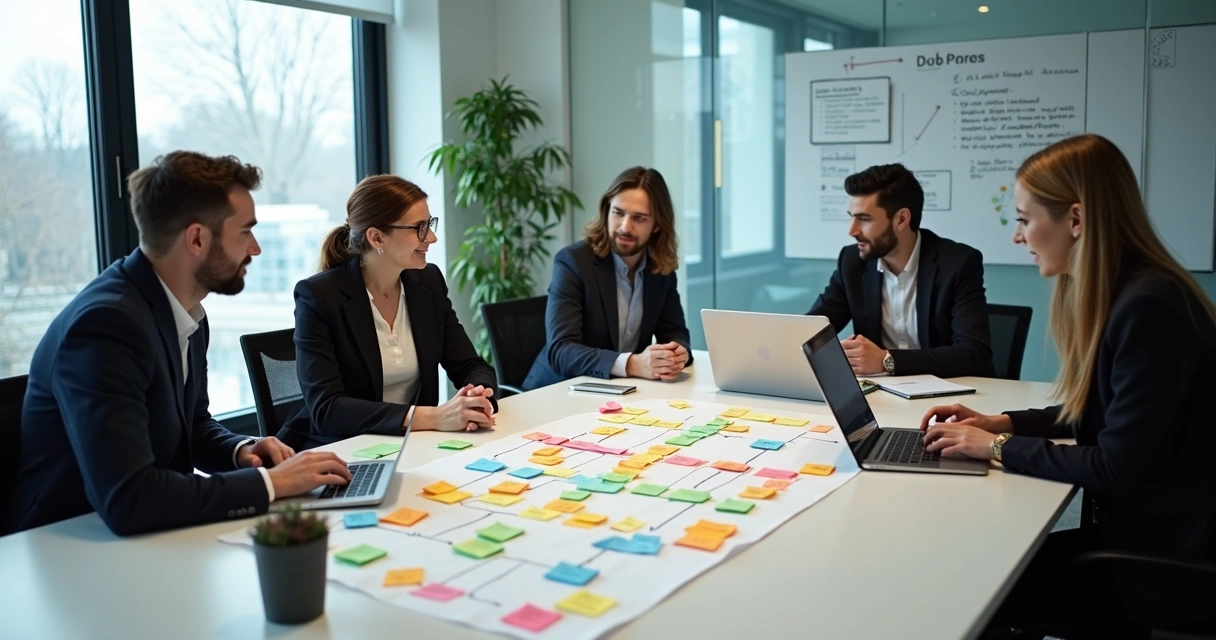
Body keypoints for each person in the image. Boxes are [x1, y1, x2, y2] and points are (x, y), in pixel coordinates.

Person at [920, 134, 1216, 638]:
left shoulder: (1149, 308)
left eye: (1024, 219)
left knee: (971, 585)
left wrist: (995, 446)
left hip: (1164, 564)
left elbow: (1112, 464)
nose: (1018, 237)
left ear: (1075, 221)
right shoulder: (1133, 292)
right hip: (1147, 535)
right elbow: (1104, 414)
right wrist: (1002, 421)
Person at [5, 151, 352, 536]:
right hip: (63, 547)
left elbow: (193, 426)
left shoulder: (186, 310)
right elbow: (129, 498)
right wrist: (274, 484)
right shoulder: (105, 325)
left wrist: (242, 451)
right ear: (197, 238)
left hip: (149, 535)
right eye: (245, 231)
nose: (255, 249)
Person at [277, 175, 498, 450]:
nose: (431, 237)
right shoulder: (319, 297)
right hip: (338, 450)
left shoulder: (427, 283)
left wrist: (477, 395)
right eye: (419, 228)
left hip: (410, 446)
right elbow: (327, 410)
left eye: (429, 224)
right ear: (376, 236)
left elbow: (470, 365)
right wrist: (433, 416)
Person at [808, 163, 994, 378]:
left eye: (864, 219)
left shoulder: (958, 263)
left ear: (901, 219)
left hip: (953, 396)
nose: (852, 230)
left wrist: (886, 360)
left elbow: (974, 354)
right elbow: (811, 332)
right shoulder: (851, 262)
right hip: (884, 396)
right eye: (852, 217)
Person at [523, 166, 692, 390]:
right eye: (618, 213)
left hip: (622, 394)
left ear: (657, 226)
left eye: (639, 218)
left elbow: (675, 332)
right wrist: (632, 364)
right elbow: (561, 351)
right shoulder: (573, 262)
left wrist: (677, 353)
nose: (625, 227)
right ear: (606, 210)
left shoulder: (659, 269)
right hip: (557, 392)